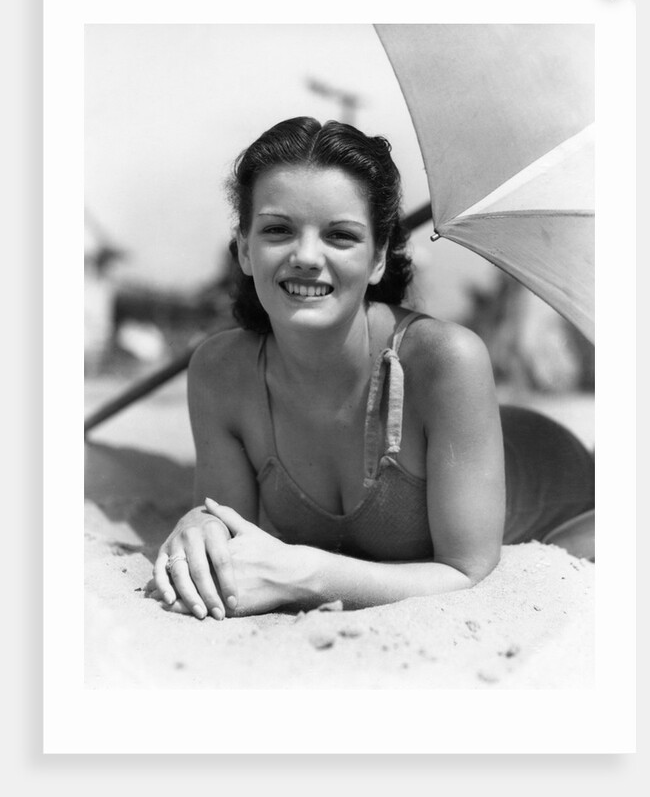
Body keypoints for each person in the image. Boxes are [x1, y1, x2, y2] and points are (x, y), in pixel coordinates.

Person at [148, 116, 595, 621]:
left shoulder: (447, 359)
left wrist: (304, 573)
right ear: (246, 249)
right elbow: (232, 532)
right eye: (277, 230)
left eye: (340, 235)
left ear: (378, 257)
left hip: (567, 486)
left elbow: (466, 571)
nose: (306, 256)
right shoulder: (219, 372)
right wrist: (200, 523)